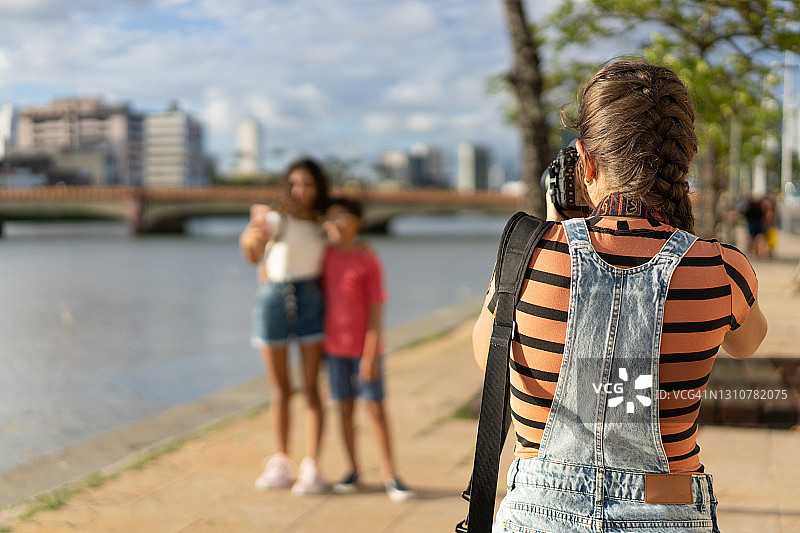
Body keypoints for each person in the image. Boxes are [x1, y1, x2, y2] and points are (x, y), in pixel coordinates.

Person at [473, 60, 768, 532]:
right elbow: (747, 343)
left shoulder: (525, 254)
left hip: (538, 513)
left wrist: (554, 227)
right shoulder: (721, 268)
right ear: (682, 165)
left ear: (585, 161)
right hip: (668, 505)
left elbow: (487, 355)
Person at [239, 157, 331, 495]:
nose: (300, 191)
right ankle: (281, 460)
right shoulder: (278, 218)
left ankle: (312, 464)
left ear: (318, 187)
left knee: (310, 388)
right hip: (274, 299)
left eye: (307, 184)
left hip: (311, 298)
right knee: (280, 390)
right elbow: (252, 251)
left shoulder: (324, 221)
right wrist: (251, 238)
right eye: (294, 184)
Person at [320, 197, 414, 502]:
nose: (332, 224)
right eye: (328, 218)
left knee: (375, 410)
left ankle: (391, 475)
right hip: (334, 350)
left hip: (365, 350)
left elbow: (376, 309)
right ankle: (353, 469)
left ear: (356, 223)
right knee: (344, 410)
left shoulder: (367, 259)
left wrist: (371, 353)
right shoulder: (324, 256)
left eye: (340, 218)